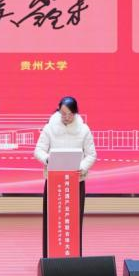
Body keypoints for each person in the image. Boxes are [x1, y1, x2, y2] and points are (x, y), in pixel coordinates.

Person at [34, 96, 97, 257]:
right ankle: (49, 257)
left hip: (75, 181)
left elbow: (91, 155)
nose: (66, 117)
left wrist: (81, 167)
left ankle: (74, 257)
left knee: (73, 221)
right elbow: (38, 150)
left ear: (75, 113)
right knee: (52, 220)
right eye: (63, 114)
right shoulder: (49, 128)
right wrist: (48, 159)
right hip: (54, 181)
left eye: (70, 114)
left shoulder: (83, 130)